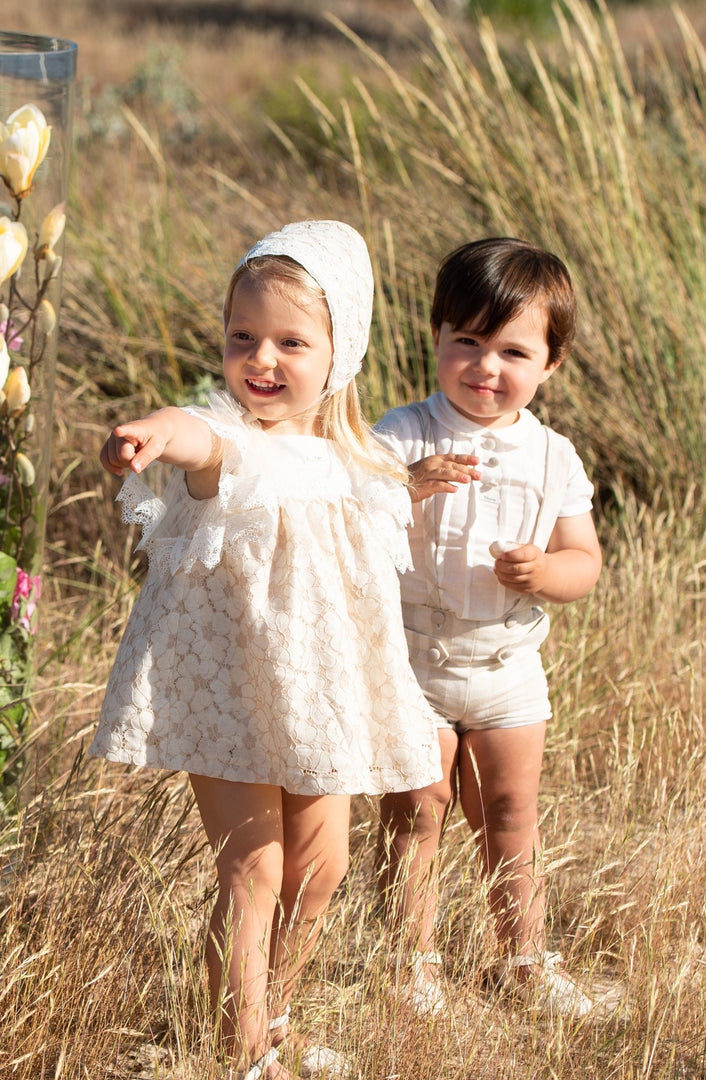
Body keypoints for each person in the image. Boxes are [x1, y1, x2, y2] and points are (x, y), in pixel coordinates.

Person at [89, 220, 442, 1080]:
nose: (262, 359)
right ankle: (241, 1050)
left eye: (291, 340)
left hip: (319, 696)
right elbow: (198, 439)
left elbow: (365, 534)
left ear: (340, 350)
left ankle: (274, 1013)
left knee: (322, 870)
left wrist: (416, 488)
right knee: (255, 868)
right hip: (238, 694)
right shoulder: (232, 445)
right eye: (242, 337)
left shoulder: (353, 461)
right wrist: (157, 430)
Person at [374, 237, 603, 1019]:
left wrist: (544, 573)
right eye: (465, 341)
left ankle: (525, 961)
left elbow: (584, 561)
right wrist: (402, 490)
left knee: (510, 813)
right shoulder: (402, 433)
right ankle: (412, 965)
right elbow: (347, 526)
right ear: (435, 337)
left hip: (508, 661)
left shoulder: (553, 456)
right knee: (419, 811)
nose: (484, 366)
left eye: (512, 350)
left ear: (551, 364)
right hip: (413, 657)